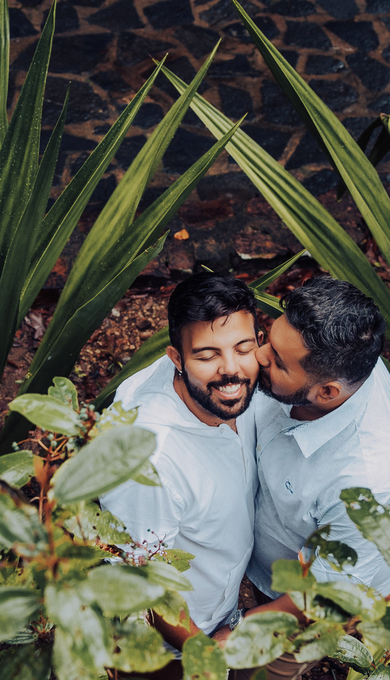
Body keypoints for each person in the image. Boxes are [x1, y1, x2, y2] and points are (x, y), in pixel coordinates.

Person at [213, 276, 390, 679]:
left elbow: (324, 595)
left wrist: (235, 633)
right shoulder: (337, 361)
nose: (257, 357)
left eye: (276, 361)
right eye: (267, 340)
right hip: (275, 552)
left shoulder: (370, 483)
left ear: (327, 393)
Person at [100, 272, 266, 673]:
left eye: (243, 347)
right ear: (176, 358)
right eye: (207, 356)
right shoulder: (149, 461)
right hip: (173, 647)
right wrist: (205, 659)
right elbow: (144, 587)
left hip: (222, 606)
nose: (232, 371)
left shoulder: (244, 385)